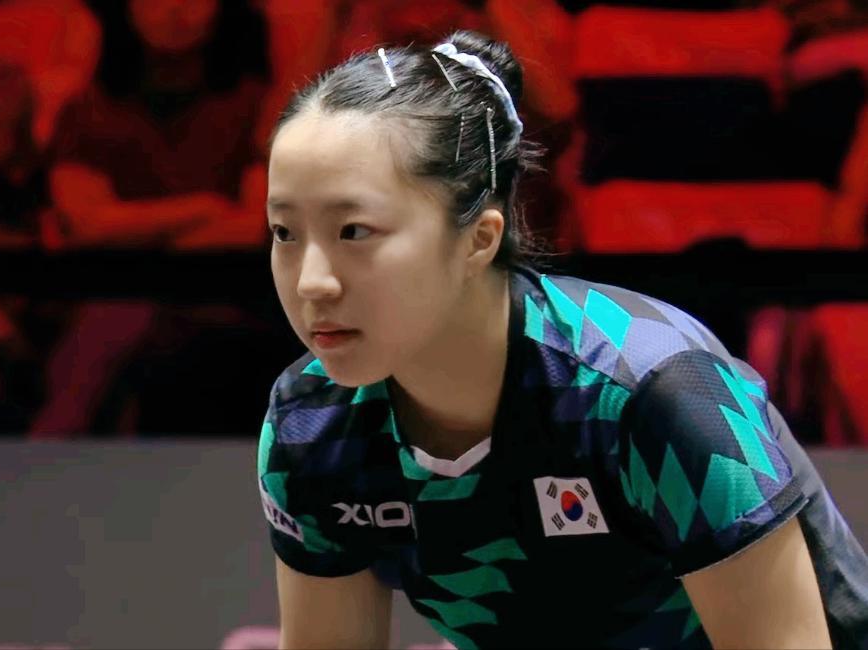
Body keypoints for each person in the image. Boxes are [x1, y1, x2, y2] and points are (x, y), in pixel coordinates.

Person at [256, 30, 867, 649]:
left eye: (354, 230)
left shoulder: (656, 393)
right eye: (284, 232)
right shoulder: (313, 423)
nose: (312, 282)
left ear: (478, 239)